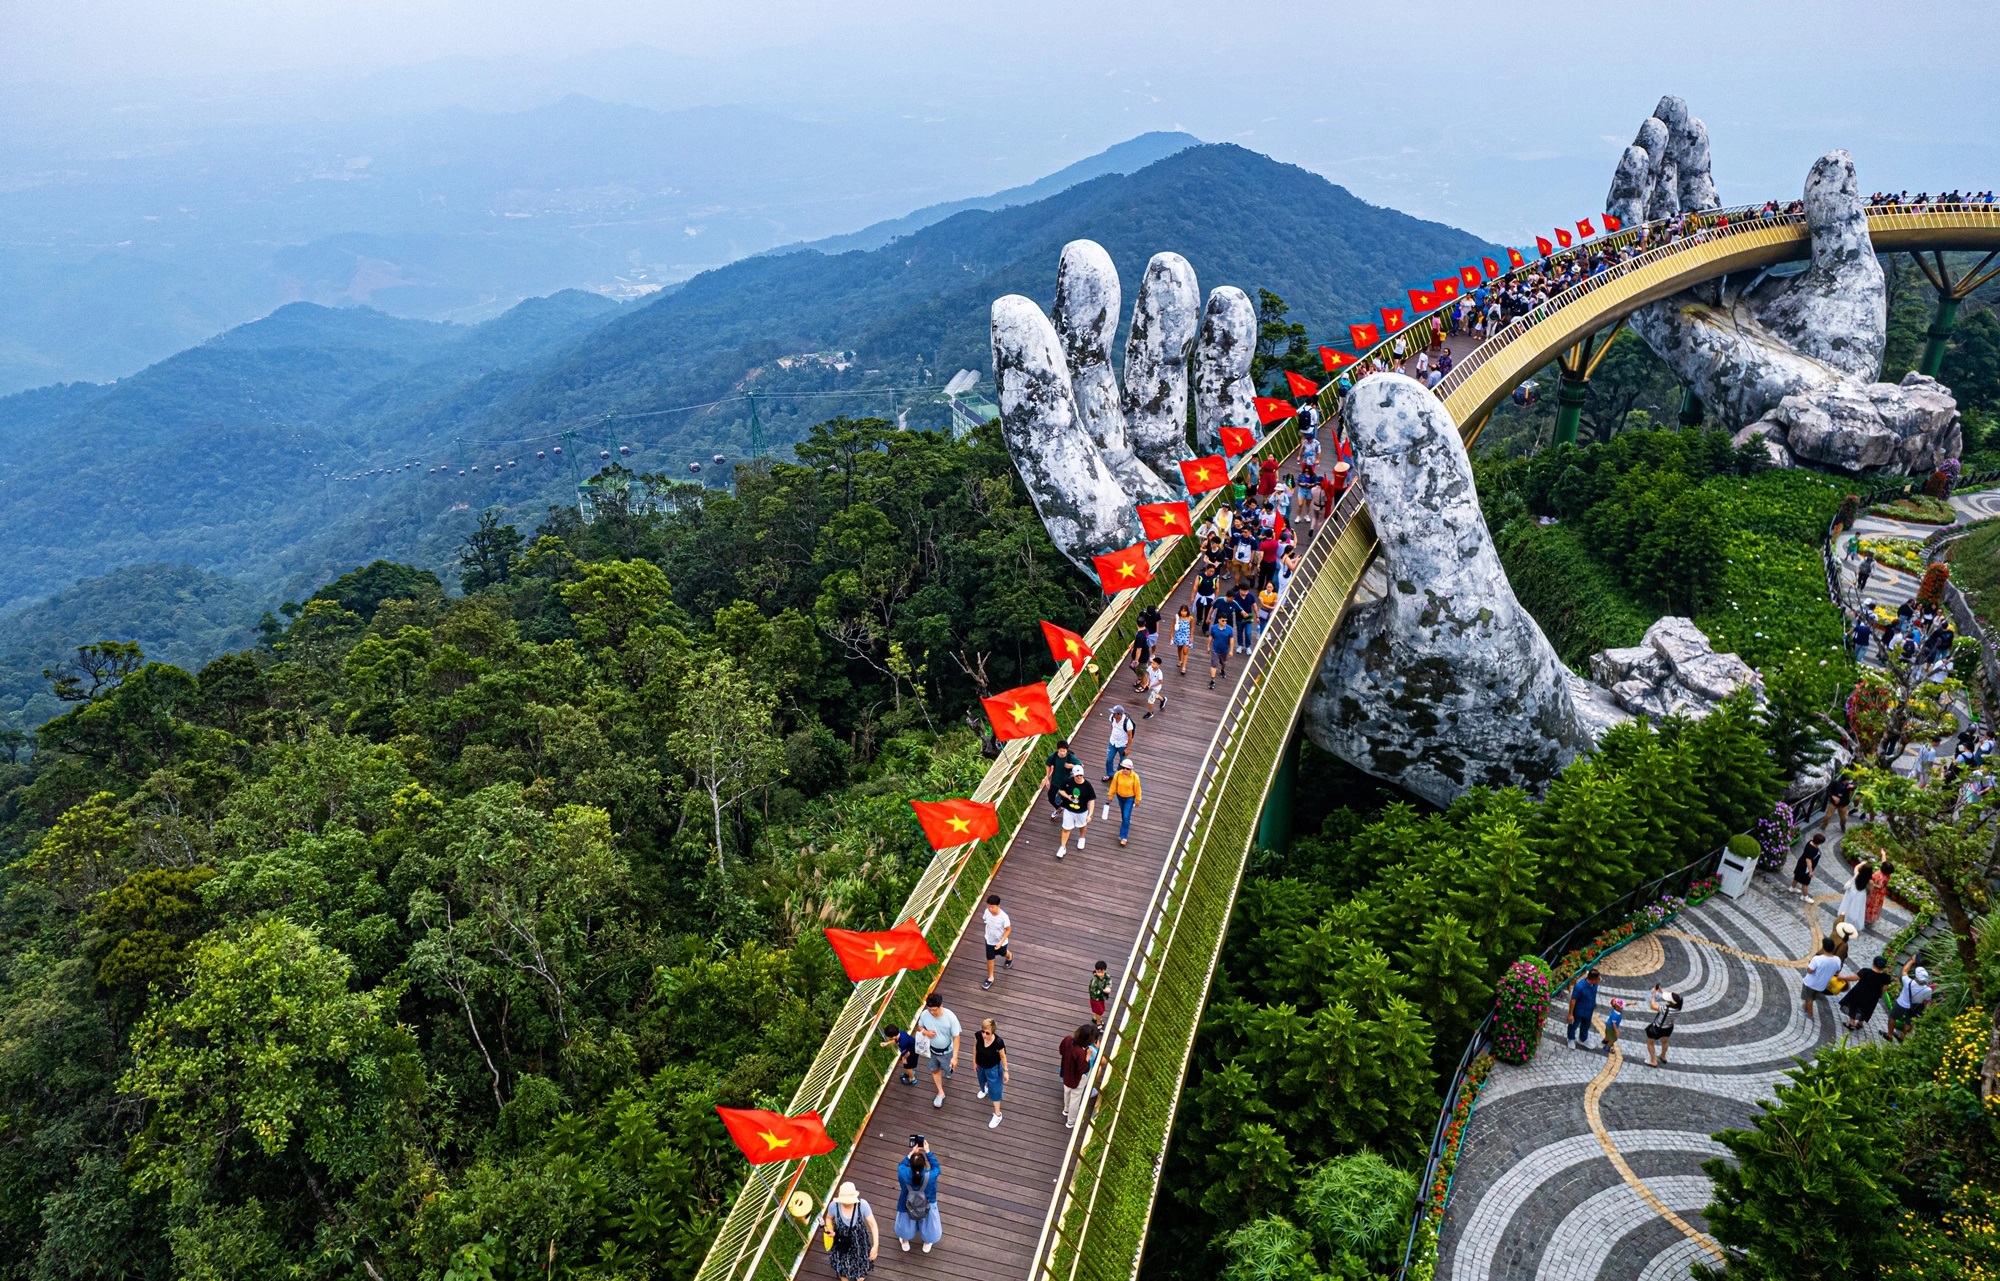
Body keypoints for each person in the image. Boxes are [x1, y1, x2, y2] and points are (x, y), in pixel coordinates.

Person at [895, 1136, 942, 1253]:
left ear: (910, 1165)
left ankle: (905, 1241)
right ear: (923, 1166)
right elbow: (937, 1168)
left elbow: (900, 1166)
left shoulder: (903, 1173)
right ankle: (927, 1242)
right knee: (929, 1223)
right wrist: (928, 1152)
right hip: (928, 1203)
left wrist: (911, 1153)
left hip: (907, 1203)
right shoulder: (930, 1176)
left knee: (906, 1222)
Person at [823, 1180, 879, 1279]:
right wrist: (830, 1228)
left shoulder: (862, 1205)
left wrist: (876, 1246)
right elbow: (828, 1218)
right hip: (841, 1242)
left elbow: (873, 1225)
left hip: (860, 1243)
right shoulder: (834, 1206)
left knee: (861, 1265)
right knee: (842, 1266)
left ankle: (860, 1275)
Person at [915, 992, 961, 1108]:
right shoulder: (925, 1014)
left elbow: (956, 1037)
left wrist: (955, 1057)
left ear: (941, 1005)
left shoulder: (951, 1018)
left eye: (934, 1009)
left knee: (948, 1070)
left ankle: (948, 1072)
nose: (932, 1012)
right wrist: (925, 1032)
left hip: (946, 1052)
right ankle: (940, 1093)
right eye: (929, 1009)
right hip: (931, 1051)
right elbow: (920, 1027)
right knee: (935, 1070)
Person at [1840, 954, 1892, 1033]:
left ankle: (1851, 1023)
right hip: (1873, 996)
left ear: (1873, 963)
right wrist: (1880, 995)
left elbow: (1854, 978)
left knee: (1854, 1005)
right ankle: (1860, 1023)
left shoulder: (1865, 971)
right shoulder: (1886, 977)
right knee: (1867, 1009)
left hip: (1859, 992)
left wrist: (1843, 977)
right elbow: (1885, 988)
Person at [1058, 1023, 1097, 1129]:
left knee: (1067, 1091)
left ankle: (1066, 1110)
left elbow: (1061, 1050)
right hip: (1077, 1079)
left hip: (1066, 1072)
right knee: (1075, 1099)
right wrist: (1087, 1056)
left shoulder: (1067, 1039)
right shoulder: (1081, 1052)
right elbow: (1083, 1069)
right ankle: (1071, 1121)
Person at [1887, 958, 1933, 1041]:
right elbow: (1925, 1002)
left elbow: (1904, 971)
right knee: (1908, 1023)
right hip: (1915, 1007)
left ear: (1916, 976)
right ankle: (1902, 1036)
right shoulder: (1928, 990)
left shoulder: (1908, 982)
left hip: (1901, 1003)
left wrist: (1912, 961)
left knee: (1892, 1017)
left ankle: (1889, 1035)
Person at [973, 1018, 1008, 1128]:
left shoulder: (998, 1043)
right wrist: (974, 1061)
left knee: (995, 1091)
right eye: (982, 1031)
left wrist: (1006, 1071)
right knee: (982, 1080)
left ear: (993, 1032)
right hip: (981, 1066)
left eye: (987, 1033)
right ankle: (985, 1089)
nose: (984, 1034)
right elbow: (975, 1047)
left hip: (993, 1068)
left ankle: (998, 1114)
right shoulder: (978, 1036)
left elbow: (1003, 1056)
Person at [1058, 765, 1096, 858]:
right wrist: (1067, 796)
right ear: (1073, 775)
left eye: (1081, 775)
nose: (1079, 777)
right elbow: (1061, 790)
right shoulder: (1068, 781)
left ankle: (1082, 838)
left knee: (1082, 825)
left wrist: (1090, 815)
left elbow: (1092, 800)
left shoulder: (1087, 786)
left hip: (1082, 811)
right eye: (1077, 776)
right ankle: (1062, 847)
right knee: (1066, 828)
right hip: (1069, 809)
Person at [1801, 939, 1843, 1017]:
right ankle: (1805, 1008)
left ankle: (1809, 1015)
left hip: (1810, 983)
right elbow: (1837, 972)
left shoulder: (1817, 959)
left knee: (1809, 998)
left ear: (1823, 947)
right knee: (1811, 998)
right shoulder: (1837, 960)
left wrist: (1809, 965)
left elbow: (1810, 971)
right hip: (1822, 984)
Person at [981, 895, 1011, 990]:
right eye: (988, 906)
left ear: (998, 906)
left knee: (1003, 953)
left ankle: (1010, 956)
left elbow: (1008, 930)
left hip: (1000, 942)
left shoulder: (1004, 917)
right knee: (990, 958)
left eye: (992, 907)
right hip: (989, 940)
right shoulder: (987, 912)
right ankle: (990, 978)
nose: (990, 909)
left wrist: (1001, 942)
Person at [1109, 756, 1142, 846]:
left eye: (1127, 768)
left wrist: (1137, 799)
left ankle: (1123, 836)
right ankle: (1125, 823)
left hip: (1129, 798)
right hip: (1120, 796)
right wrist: (1110, 795)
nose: (1124, 770)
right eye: (1123, 767)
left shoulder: (1135, 777)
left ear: (1130, 769)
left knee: (1126, 816)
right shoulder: (1118, 774)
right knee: (1124, 814)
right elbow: (1113, 785)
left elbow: (1138, 789)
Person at [1644, 988, 1682, 1066]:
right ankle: (1663, 1056)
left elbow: (1652, 1006)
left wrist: (1653, 997)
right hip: (1669, 1027)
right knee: (1665, 1041)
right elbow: (1670, 997)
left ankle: (1653, 1060)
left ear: (1671, 1003)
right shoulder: (1678, 1008)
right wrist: (1661, 990)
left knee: (1650, 1042)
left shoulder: (1665, 1009)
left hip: (1658, 1028)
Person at [1566, 968, 1601, 1050]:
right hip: (1579, 1011)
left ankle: (1583, 1039)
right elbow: (1573, 1000)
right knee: (1573, 1025)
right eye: (1598, 978)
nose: (1600, 980)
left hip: (1589, 1010)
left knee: (1586, 1025)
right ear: (1593, 979)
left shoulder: (1595, 984)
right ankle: (1571, 1038)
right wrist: (1570, 1014)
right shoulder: (1579, 986)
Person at [1044, 740, 1077, 823]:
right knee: (1050, 797)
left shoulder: (1070, 757)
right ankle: (1059, 809)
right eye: (1060, 751)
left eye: (1064, 751)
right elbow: (1048, 765)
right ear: (1058, 750)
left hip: (1067, 782)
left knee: (1066, 798)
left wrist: (1071, 766)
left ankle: (1072, 813)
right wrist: (1047, 778)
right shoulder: (1053, 756)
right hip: (1055, 781)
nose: (1062, 753)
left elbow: (1080, 766)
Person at [1838, 862, 1874, 933]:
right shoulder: (1870, 881)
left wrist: (1862, 863)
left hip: (1852, 892)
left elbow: (1856, 867)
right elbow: (1870, 890)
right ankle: (1852, 922)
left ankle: (1844, 917)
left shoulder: (1857, 874)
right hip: (1860, 895)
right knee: (1857, 909)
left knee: (1847, 905)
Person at [1103, 705, 1135, 781]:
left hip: (1122, 744)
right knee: (1109, 758)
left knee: (1123, 761)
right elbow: (1112, 726)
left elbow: (1130, 736)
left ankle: (1119, 774)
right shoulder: (1112, 718)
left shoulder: (1127, 723)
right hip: (1113, 742)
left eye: (1114, 714)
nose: (1113, 715)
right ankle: (1110, 774)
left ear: (1119, 714)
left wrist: (1128, 749)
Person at [1793, 832, 1825, 901]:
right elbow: (1808, 860)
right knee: (1805, 883)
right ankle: (1805, 896)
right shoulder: (1812, 849)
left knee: (1797, 876)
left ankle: (1792, 887)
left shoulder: (1810, 842)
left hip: (1801, 863)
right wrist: (1810, 871)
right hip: (1805, 868)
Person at [1208, 614, 1236, 689]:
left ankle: (1222, 669)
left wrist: (1231, 650)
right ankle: (1212, 680)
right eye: (1223, 620)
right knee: (1214, 664)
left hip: (1224, 650)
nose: (1224, 622)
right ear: (1219, 620)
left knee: (1224, 662)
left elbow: (1231, 640)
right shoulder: (1214, 628)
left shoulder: (1229, 629)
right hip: (1215, 649)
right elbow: (1211, 637)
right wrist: (1208, 646)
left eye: (1226, 621)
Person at [1865, 861, 1893, 929]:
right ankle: (1870, 918)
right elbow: (1884, 860)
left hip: (1874, 893)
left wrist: (1870, 883)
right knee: (1876, 905)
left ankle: (1867, 918)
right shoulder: (1887, 875)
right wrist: (1883, 853)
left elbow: (1879, 887)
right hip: (1881, 893)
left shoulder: (1879, 876)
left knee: (1870, 905)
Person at [1088, 960, 1112, 1031]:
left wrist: (1107, 988)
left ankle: (1095, 1018)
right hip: (1095, 999)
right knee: (1099, 1011)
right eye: (1098, 972)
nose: (1100, 974)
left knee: (1099, 1009)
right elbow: (1092, 990)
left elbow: (1109, 983)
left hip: (1102, 997)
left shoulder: (1107, 977)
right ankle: (1099, 1023)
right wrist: (1104, 990)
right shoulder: (1094, 980)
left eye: (1102, 972)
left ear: (1105, 970)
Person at [1172, 606, 1193, 675]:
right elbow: (1173, 626)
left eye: (1185, 611)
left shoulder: (1190, 618)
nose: (1183, 612)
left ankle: (1184, 667)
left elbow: (1192, 627)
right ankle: (1180, 660)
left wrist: (1191, 636)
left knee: (1185, 651)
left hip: (1186, 636)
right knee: (1179, 648)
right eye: (1182, 611)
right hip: (1179, 635)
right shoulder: (1177, 617)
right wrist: (1171, 636)